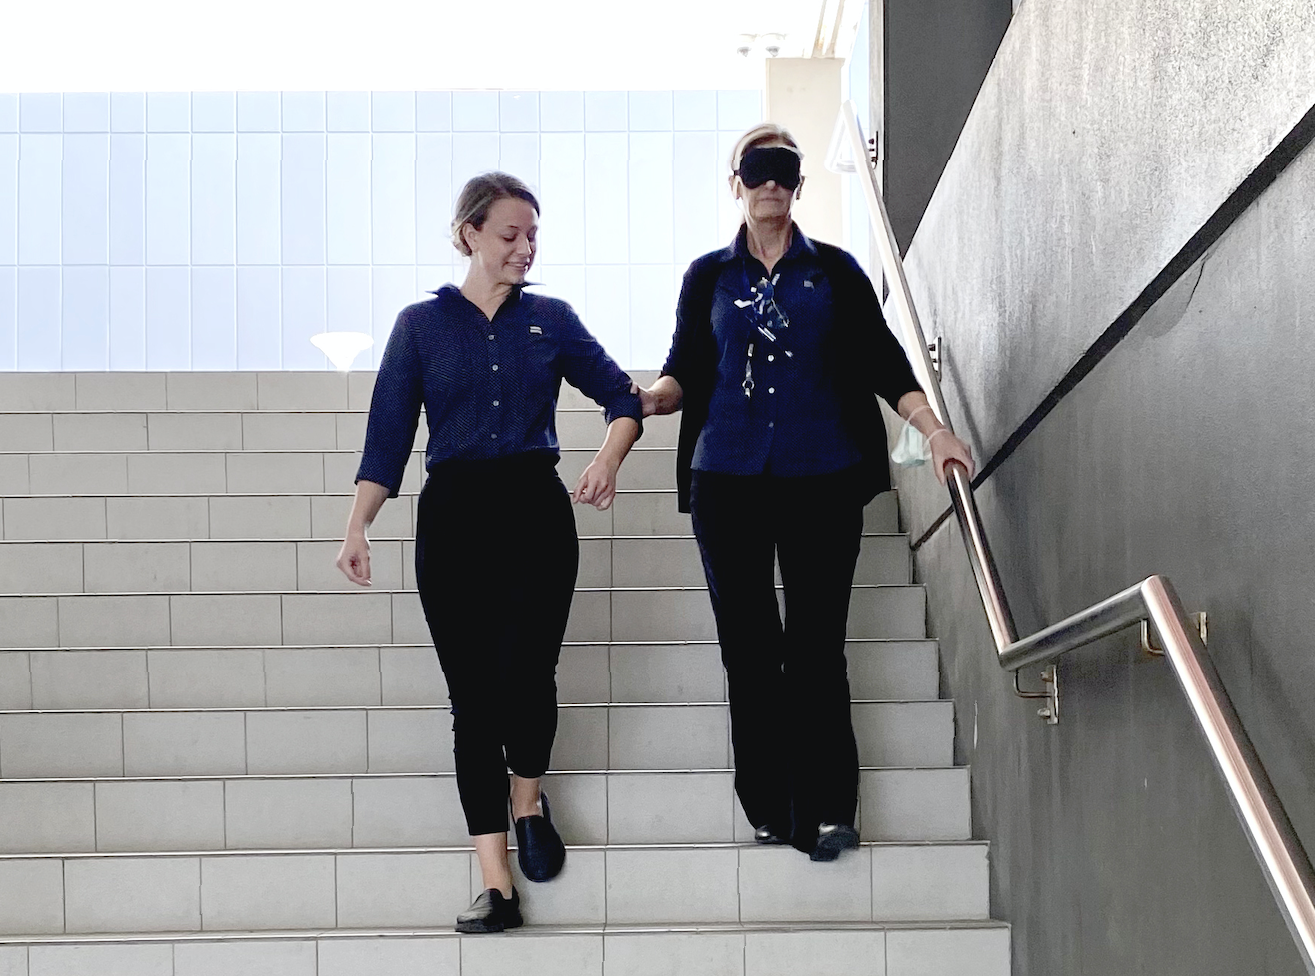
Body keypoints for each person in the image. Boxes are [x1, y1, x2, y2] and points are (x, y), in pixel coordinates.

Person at [640, 123, 975, 862]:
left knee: (817, 647)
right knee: (751, 649)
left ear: (797, 185)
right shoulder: (708, 277)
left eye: (784, 171)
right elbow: (685, 366)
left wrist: (935, 428)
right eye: (756, 170)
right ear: (736, 183)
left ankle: (828, 808)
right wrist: (652, 402)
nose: (770, 183)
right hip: (726, 476)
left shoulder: (838, 273)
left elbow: (883, 359)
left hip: (821, 477)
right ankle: (769, 802)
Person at [336, 172, 643, 932]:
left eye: (532, 235)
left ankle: (529, 798)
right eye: (510, 234)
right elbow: (388, 438)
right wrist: (357, 525)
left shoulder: (551, 318)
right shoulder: (419, 327)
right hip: (456, 518)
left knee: (529, 677)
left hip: (535, 510)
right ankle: (497, 884)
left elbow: (624, 398)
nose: (524, 248)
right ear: (469, 233)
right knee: (473, 701)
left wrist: (606, 458)